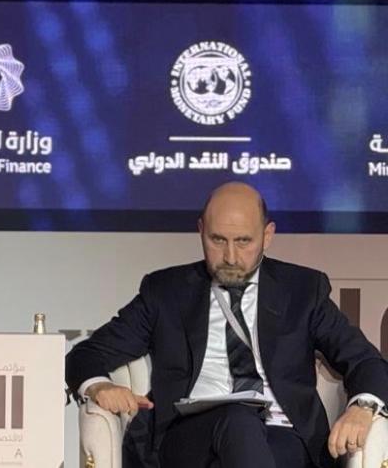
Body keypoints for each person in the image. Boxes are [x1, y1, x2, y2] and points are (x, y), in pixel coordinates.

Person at [66, 182, 388, 467]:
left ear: (268, 235)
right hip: (191, 438)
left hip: (283, 436)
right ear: (200, 230)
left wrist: (362, 406)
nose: (231, 256)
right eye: (218, 240)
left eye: (243, 241)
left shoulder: (303, 290)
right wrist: (99, 385)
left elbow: (365, 360)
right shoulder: (166, 292)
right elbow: (86, 354)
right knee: (238, 419)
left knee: (245, 433)